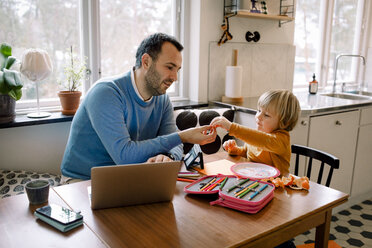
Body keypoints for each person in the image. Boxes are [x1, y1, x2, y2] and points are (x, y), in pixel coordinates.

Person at [60, 33, 216, 181]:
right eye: (169, 67)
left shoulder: (162, 99)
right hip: (82, 181)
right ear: (146, 61)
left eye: (177, 70)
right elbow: (125, 157)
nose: (175, 78)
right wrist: (182, 136)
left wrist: (169, 158)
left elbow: (173, 142)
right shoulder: (106, 93)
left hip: (128, 177)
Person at [210, 89, 300, 176]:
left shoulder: (281, 140)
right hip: (255, 181)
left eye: (266, 115)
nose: (258, 116)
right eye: (259, 110)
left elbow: (264, 141)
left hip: (277, 187)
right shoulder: (258, 135)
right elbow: (247, 152)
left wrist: (232, 127)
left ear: (284, 122)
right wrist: (235, 150)